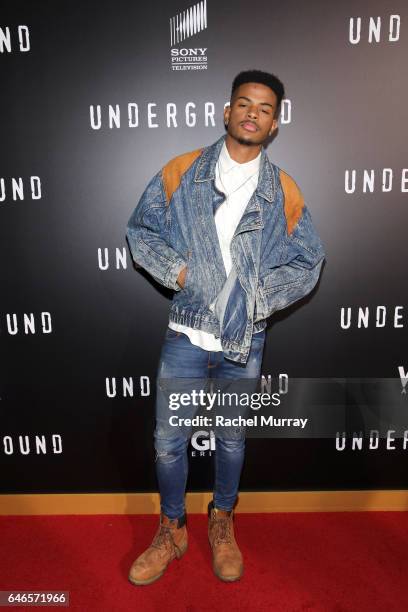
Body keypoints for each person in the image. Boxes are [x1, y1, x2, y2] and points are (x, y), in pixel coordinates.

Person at [126, 69, 325, 585]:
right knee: (168, 442)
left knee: (232, 440)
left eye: (263, 107)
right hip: (186, 336)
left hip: (244, 343)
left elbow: (309, 262)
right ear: (226, 110)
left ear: (275, 122)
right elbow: (141, 230)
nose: (252, 113)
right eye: (243, 103)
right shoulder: (182, 170)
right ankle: (171, 527)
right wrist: (181, 272)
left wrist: (258, 298)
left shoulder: (282, 189)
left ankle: (222, 521)